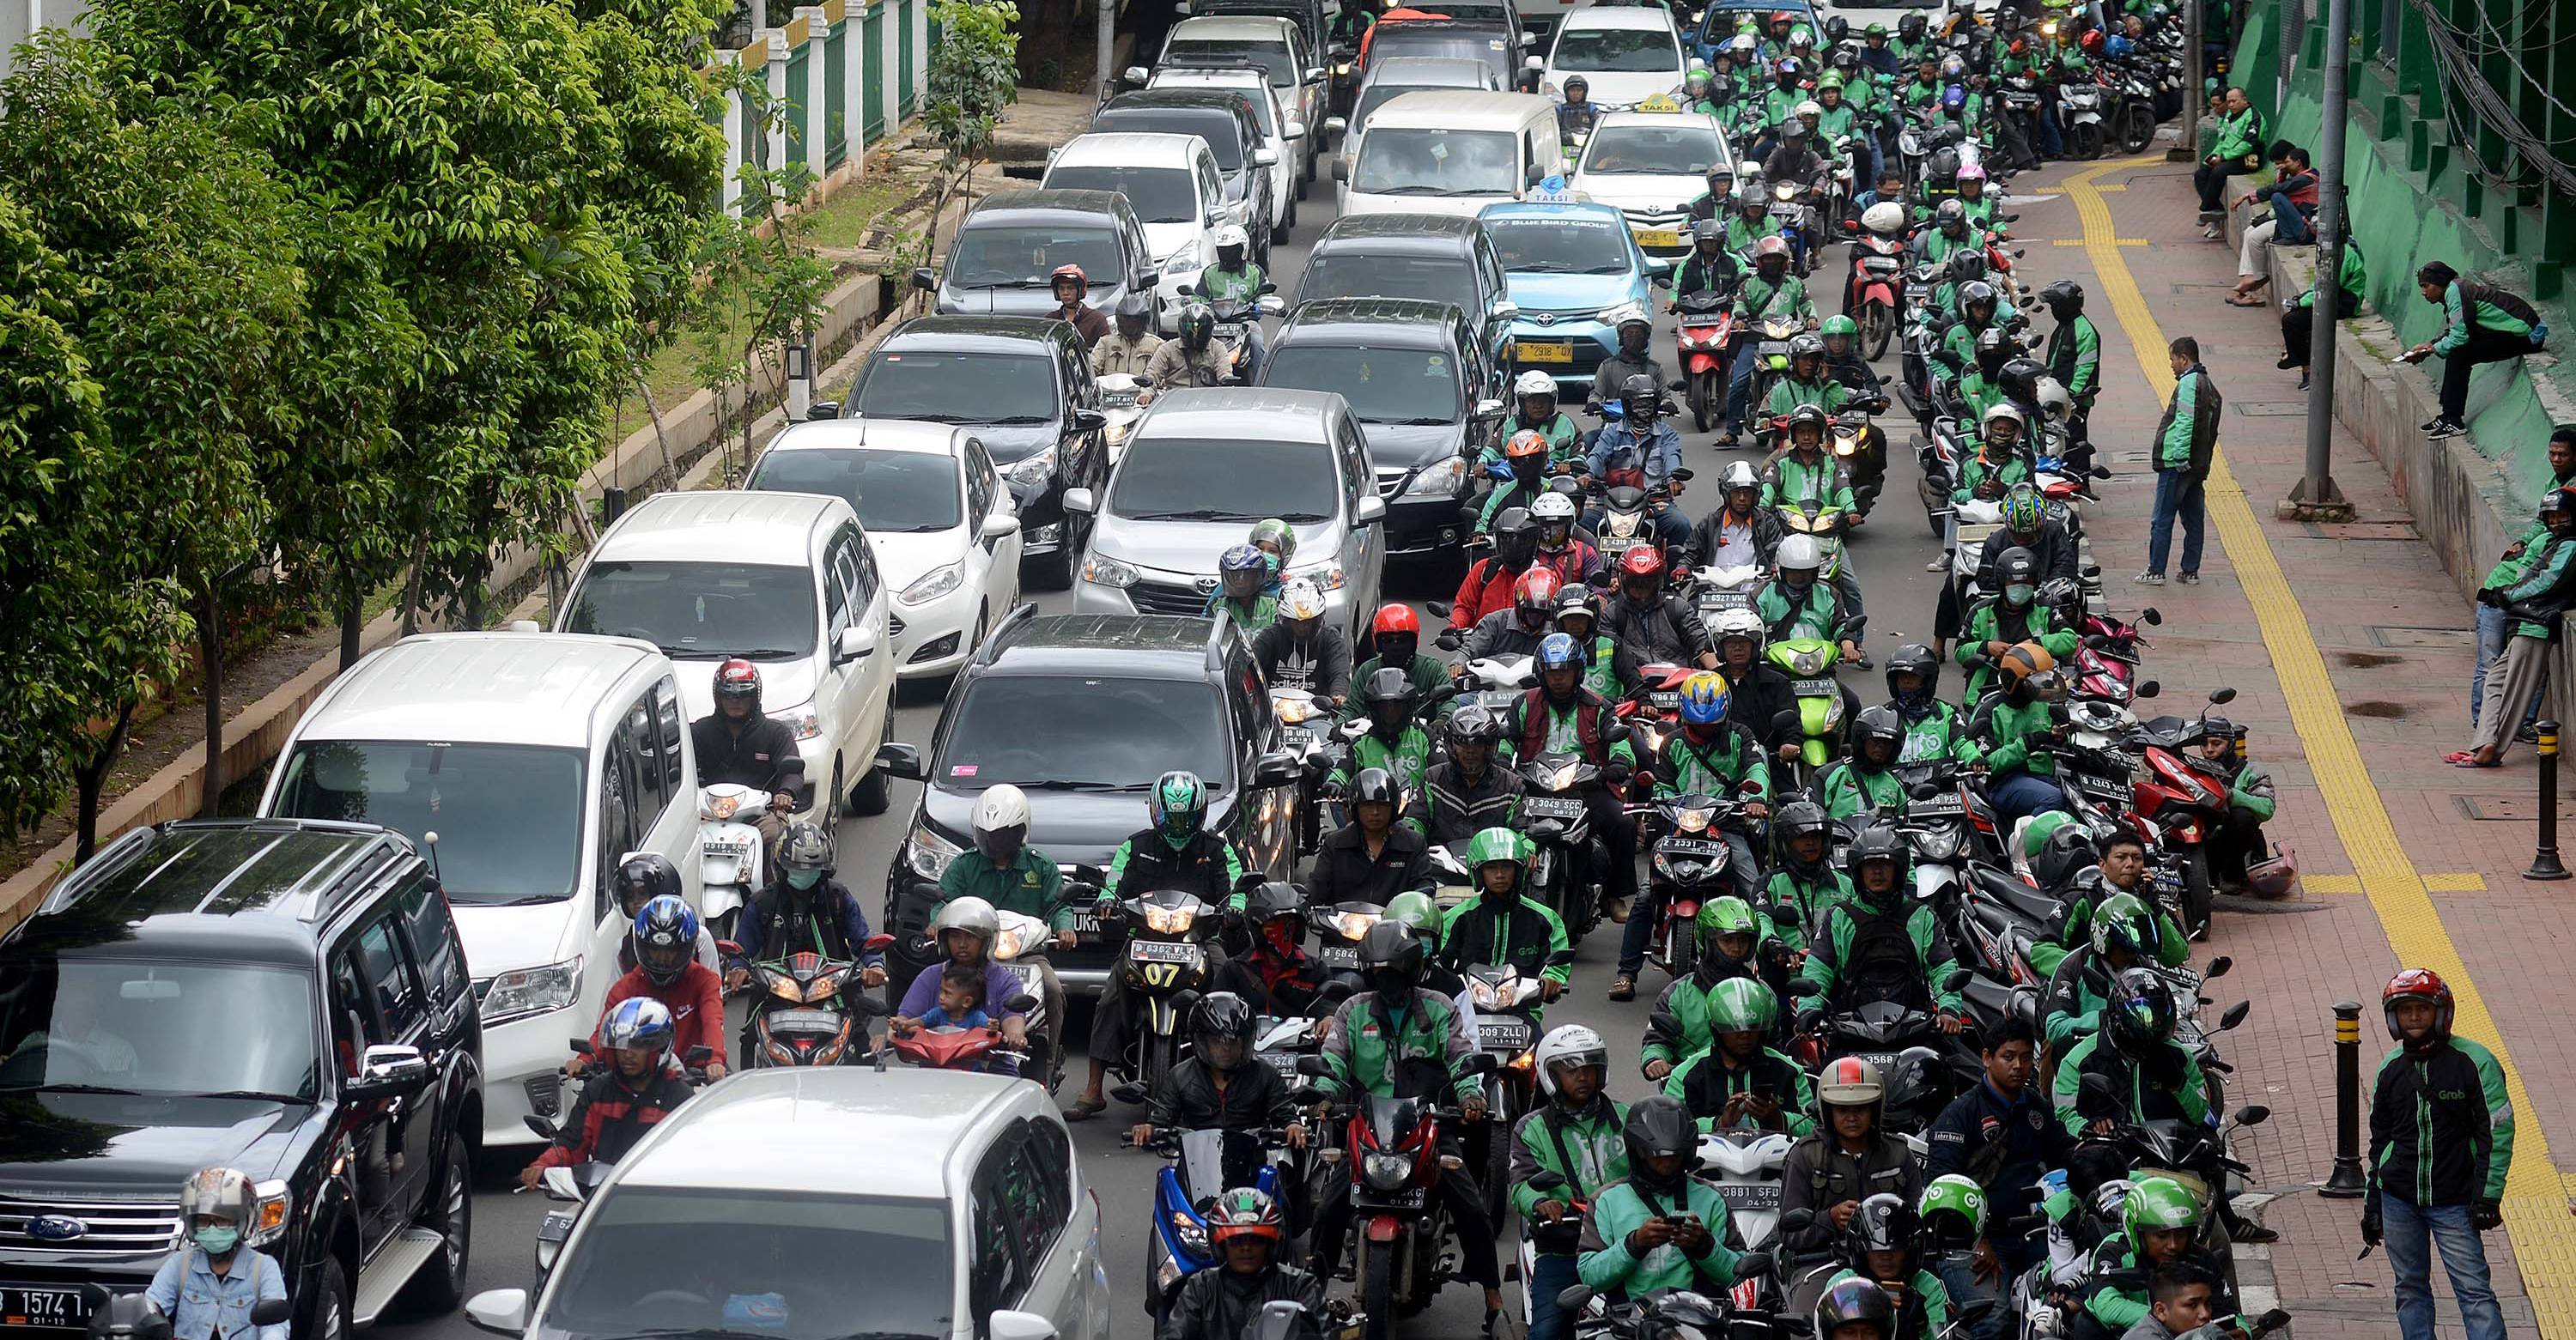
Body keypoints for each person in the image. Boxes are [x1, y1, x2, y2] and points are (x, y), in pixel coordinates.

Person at [1308, 924, 1504, 1323]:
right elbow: (1333, 1059)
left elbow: (1461, 1056)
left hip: (1428, 1124)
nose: (1388, 980)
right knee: (1328, 1208)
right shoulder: (1352, 1011)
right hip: (1368, 1128)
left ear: (1413, 969)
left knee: (1471, 1208)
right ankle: (1310, 1295)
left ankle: (1494, 1299)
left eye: (1395, 971)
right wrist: (1323, 1095)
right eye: (1380, 972)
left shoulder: (1439, 1007)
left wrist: (1470, 1096)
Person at [1068, 771, 1249, 1118]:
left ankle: (1236, 1081)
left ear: (1199, 816)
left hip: (1199, 938)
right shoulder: (1135, 847)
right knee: (1110, 995)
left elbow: (1236, 888)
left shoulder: (1217, 849)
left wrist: (1234, 910)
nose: (1177, 826)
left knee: (1230, 984)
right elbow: (1113, 883)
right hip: (1144, 938)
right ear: (1155, 813)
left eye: (1185, 819)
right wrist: (1106, 901)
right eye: (1170, 818)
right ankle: (1093, 1089)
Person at [2364, 967, 2512, 1340]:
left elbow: (2497, 1132)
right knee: (2409, 1288)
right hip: (2398, 1200)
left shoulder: (2476, 1062)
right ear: (2393, 1018)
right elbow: (2379, 1142)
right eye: (2405, 1010)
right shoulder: (2389, 1069)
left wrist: (2487, 1196)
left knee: (2474, 1292)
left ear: (2442, 1012)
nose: (2414, 1018)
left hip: (2455, 1202)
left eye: (2423, 1009)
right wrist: (2373, 1203)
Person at [1504, 634, 1643, 962]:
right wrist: (1501, 759)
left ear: (1578, 672)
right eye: (1553, 672)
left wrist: (1618, 764)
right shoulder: (1524, 703)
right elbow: (1507, 737)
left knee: (1621, 821)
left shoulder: (1599, 706)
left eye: (1565, 672)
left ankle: (1613, 895)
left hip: (1585, 787)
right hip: (1535, 786)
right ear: (1542, 673)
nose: (1559, 679)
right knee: (1500, 820)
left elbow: (1620, 743)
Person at [1925, 1018, 2070, 1287]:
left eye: (2025, 1058)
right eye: (2008, 1057)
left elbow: (2064, 1154)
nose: (2018, 1066)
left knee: (2068, 1295)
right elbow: (1940, 1186)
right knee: (1992, 1313)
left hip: (2035, 1233)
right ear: (1986, 1058)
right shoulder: (1960, 1115)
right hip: (1976, 1238)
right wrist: (1977, 1242)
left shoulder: (2037, 1108)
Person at [934, 783, 1070, 1062]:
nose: (994, 842)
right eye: (988, 835)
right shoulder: (965, 865)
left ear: (1019, 831)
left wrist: (1064, 927)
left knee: (1053, 990)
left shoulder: (1040, 866)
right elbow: (943, 900)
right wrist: (936, 922)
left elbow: (1058, 905)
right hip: (975, 951)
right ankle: (938, 1051)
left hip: (1027, 954)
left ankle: (1050, 1059)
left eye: (1001, 835)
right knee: (940, 986)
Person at [1780, 1058, 1922, 1318]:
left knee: (1929, 1316)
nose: (1852, 1117)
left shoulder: (1900, 1153)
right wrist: (1829, 1219)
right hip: (1824, 1263)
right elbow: (1789, 1234)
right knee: (1809, 1324)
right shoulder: (1805, 1155)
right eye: (1842, 1109)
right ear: (1828, 1110)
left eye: (1861, 1108)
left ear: (1875, 1108)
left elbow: (1918, 1220)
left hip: (1892, 1265)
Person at [1512, 1026, 1627, 1340]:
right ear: (1550, 1074)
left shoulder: (1627, 1117)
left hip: (1624, 1247)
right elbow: (1521, 1183)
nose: (1583, 1076)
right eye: (1571, 1069)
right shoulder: (1531, 1128)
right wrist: (1540, 1202)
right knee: (1546, 1334)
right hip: (1563, 1249)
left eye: (1589, 1067)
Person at [1574, 1096, 1749, 1301]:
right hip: (1628, 1317)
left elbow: (1738, 1273)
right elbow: (1589, 1276)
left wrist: (1704, 1245)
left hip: (1698, 1314)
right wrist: (1635, 1244)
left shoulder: (1711, 1198)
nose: (1667, 1164)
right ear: (1638, 1152)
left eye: (1675, 1155)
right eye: (1657, 1155)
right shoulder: (1606, 1201)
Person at [1794, 825, 1966, 1028]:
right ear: (1858, 871)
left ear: (1898, 869)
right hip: (1850, 1030)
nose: (1877, 872)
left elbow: (1943, 967)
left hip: (1913, 1030)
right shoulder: (1839, 916)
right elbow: (1818, 969)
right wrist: (1809, 1010)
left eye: (1885, 864)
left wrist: (1948, 1009)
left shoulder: (1922, 916)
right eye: (1870, 865)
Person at [2468, 427, 2576, 736]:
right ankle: (2485, 727)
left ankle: (2510, 728)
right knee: (2492, 667)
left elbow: (2543, 581)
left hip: (2521, 608)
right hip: (2503, 600)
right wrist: (2505, 593)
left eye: (2563, 454)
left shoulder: (2562, 544)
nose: (2556, 459)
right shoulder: (2548, 540)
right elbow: (2539, 580)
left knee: (2520, 671)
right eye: (2552, 453)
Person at [2458, 487, 2576, 767]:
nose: (2556, 522)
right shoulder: (2554, 542)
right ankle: (2485, 741)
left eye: (2561, 516)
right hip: (2525, 623)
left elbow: (2546, 581)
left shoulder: (2570, 546)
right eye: (2551, 517)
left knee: (2515, 692)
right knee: (2494, 680)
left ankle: (2493, 750)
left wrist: (2506, 595)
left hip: (2537, 626)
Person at [522, 997, 695, 1186]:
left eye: (638, 1045)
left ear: (660, 1048)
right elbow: (572, 1143)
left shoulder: (681, 1099)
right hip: (604, 1195)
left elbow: (693, 1160)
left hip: (659, 1195)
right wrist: (544, 1165)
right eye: (621, 1046)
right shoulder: (598, 1092)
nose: (628, 1054)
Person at [1639, 667, 1769, 910]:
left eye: (1711, 724)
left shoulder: (1740, 736)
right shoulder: (1672, 743)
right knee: (1646, 894)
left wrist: (1757, 799)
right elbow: (1663, 785)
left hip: (1726, 826)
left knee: (1754, 891)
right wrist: (1663, 804)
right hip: (1678, 831)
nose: (1704, 730)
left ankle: (1765, 933)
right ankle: (1635, 938)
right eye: (1698, 725)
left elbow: (1756, 768)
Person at [1643, 898, 1801, 1071]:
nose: (1736, 948)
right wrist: (1655, 1059)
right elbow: (1657, 1040)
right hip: (1691, 1082)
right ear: (1707, 941)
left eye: (1743, 941)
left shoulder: (1764, 994)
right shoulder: (1678, 994)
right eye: (1728, 940)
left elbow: (1773, 1047)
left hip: (1751, 1081)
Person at [726, 820, 888, 991]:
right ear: (781, 868)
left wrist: (875, 967)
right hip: (775, 992)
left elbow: (863, 941)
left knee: (869, 1007)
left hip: (835, 990)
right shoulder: (762, 903)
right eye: (798, 868)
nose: (806, 874)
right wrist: (738, 969)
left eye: (813, 869)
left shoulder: (838, 898)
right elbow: (742, 951)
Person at [2051, 967, 2212, 1138]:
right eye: (2143, 1014)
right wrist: (2088, 1128)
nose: (2152, 1026)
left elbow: (2201, 1115)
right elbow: (2063, 1117)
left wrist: (2179, 1084)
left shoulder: (2179, 1055)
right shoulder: (2078, 1060)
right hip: (2112, 1150)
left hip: (2170, 1148)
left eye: (2158, 1016)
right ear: (2117, 1017)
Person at [582, 895, 728, 1079]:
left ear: (687, 948)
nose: (662, 959)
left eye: (671, 951)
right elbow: (605, 1029)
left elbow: (712, 1021)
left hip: (691, 1079)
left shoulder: (705, 980)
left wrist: (715, 1060)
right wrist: (585, 1059)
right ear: (641, 946)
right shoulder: (627, 986)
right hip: (639, 1079)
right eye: (655, 950)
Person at [2399, 261, 2546, 439]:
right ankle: (2447, 416)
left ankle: (2453, 420)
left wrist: (2430, 350)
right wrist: (2430, 345)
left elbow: (2459, 337)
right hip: (2516, 333)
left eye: (2426, 286)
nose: (2423, 292)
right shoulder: (2455, 289)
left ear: (2439, 283)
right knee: (2458, 352)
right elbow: (2459, 328)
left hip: (2528, 336)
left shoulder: (2456, 292)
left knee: (2460, 355)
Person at [1132, 993, 1298, 1147]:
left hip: (1253, 1158)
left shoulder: (1266, 1074)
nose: (1226, 1048)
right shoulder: (1179, 1076)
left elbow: (1284, 1114)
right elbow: (1162, 1118)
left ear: (1245, 1042)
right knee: (1167, 1170)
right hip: (1195, 1158)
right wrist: (1148, 1128)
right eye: (1218, 1041)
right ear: (1201, 1041)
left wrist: (1293, 1126)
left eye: (1234, 1041)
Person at [1156, 1188, 1325, 1340]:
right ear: (1221, 1246)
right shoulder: (1201, 1288)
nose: (1246, 1248)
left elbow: (1323, 1333)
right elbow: (1174, 1333)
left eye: (1256, 1240)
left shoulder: (1299, 1286)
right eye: (1236, 1240)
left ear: (1271, 1245)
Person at [149, 1167, 289, 1340]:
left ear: (243, 1222)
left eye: (222, 1220)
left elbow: (275, 1328)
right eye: (203, 1220)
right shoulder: (180, 1265)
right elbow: (151, 1309)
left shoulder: (264, 1268)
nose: (212, 1228)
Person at [2073, 1179, 2221, 1340]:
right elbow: (2107, 1304)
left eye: (2180, 1235)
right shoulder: (2113, 1250)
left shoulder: (2201, 1257)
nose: (2172, 1245)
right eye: (2161, 1235)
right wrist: (2174, 1319)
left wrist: (2234, 1330)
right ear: (2138, 1233)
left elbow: (2228, 1310)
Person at [1664, 978, 1814, 1135]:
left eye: (1753, 1028)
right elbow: (1671, 1128)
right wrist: (1720, 1123)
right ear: (1715, 1030)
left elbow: (1812, 1127)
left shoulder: (1789, 1071)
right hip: (1708, 1151)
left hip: (1779, 1151)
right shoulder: (1684, 1075)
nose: (1745, 1036)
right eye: (1734, 1029)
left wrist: (1778, 1119)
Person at [1438, 827, 1572, 1000]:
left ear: (1519, 870)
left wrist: (1553, 977)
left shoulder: (1546, 918)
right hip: (1467, 1008)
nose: (1500, 874)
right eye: (1491, 867)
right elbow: (1439, 962)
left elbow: (1557, 961)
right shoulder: (1456, 918)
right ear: (1477, 872)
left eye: (1507, 867)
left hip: (1525, 1007)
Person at [890, 896, 1035, 1054]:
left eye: (971, 937)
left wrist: (1015, 1035)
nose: (962, 944)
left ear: (986, 940)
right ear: (944, 940)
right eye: (955, 936)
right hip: (934, 1065)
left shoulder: (1004, 980)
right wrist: (890, 1032)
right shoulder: (930, 976)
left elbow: (1013, 1019)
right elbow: (905, 1018)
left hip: (992, 1066)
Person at [690, 658, 805, 851]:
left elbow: (793, 772)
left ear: (754, 697)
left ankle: (769, 872)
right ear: (718, 698)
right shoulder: (700, 731)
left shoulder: (776, 733)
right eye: (728, 695)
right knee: (681, 839)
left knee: (774, 835)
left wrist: (785, 793)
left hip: (762, 814)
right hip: (708, 814)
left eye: (743, 696)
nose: (735, 701)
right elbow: (681, 771)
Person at [2136, 337, 2220, 585]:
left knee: (2162, 518)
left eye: (2172, 359)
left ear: (2184, 359)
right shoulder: (2207, 382)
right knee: (2194, 520)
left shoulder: (2189, 383)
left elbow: (2185, 421)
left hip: (2177, 464)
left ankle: (2156, 570)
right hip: (2197, 464)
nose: (2171, 365)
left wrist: (2180, 455)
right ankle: (2190, 570)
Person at [1824, 1194, 1957, 1340]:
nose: (1886, 1257)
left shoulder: (1928, 1286)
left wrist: (1921, 1324)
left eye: (1896, 1249)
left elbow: (1940, 1337)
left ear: (1910, 1249)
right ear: (1861, 1250)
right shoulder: (1841, 1285)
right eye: (1876, 1250)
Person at [1583, 377, 1692, 553]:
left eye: (1649, 403)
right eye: (1638, 403)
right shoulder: (1611, 433)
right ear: (1627, 405)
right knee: (1579, 522)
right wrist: (1586, 475)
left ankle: (1676, 569)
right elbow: (1597, 455)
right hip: (1610, 502)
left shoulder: (1667, 434)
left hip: (1653, 501)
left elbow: (1672, 457)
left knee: (1681, 525)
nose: (1644, 409)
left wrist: (1673, 479)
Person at [1728, 237, 1820, 442]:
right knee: (1739, 382)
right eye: (1768, 259)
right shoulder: (1749, 284)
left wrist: (1812, 317)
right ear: (1759, 261)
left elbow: (1806, 303)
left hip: (1789, 342)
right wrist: (1739, 319)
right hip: (1755, 340)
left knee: (1812, 376)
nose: (1772, 263)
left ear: (1785, 261)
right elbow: (1740, 304)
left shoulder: (1795, 283)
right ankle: (1731, 431)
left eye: (1776, 259)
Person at [1968, 641, 2070, 824]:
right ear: (2013, 680)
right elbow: (1988, 763)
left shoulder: (2043, 704)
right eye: (2035, 682)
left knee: (2078, 800)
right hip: (2005, 782)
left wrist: (2060, 737)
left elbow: (2060, 744)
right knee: (2052, 799)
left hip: (2046, 778)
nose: (2041, 687)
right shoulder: (1989, 712)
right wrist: (2027, 744)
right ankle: (2024, 840)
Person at [1957, 547, 2077, 700]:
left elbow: (2070, 640)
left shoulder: (2045, 608)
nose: (2020, 586)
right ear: (2002, 582)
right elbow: (1960, 651)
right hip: (1990, 688)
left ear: (2035, 582)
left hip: (2039, 688)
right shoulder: (1980, 611)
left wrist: (2036, 644)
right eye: (2014, 581)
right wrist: (1987, 647)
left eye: (2026, 582)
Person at [1309, 767, 1432, 905]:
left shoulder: (1413, 843)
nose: (1375, 812)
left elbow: (1424, 883)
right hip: (1343, 918)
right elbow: (1317, 885)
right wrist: (1300, 901)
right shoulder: (1335, 844)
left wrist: (1421, 898)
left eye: (1382, 805)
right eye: (1367, 805)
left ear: (1393, 807)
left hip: (1396, 917)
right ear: (1355, 808)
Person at [1213, 881, 1330, 1018]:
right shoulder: (1235, 970)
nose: (1284, 929)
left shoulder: (1316, 972)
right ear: (1257, 928)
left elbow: (1329, 1004)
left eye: (1289, 922)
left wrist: (1328, 1018)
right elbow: (1216, 1010)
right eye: (1275, 922)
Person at [1416, 704, 1523, 845]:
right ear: (1450, 745)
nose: (1470, 751)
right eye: (1462, 743)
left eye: (1478, 743)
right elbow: (1415, 822)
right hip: (1439, 858)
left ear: (1491, 746)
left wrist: (1527, 850)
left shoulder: (1512, 786)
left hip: (1494, 857)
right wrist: (1412, 842)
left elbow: (1523, 833)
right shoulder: (1432, 779)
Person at [2225, 142, 2318, 304]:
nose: (2283, 166)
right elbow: (2279, 187)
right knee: (2250, 232)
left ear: (2298, 163)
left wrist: (2246, 196)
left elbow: (2277, 190)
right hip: (2291, 221)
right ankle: (2249, 278)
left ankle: (2258, 279)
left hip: (2303, 226)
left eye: (2287, 162)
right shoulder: (2297, 177)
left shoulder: (2306, 179)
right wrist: (2283, 172)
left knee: (2255, 236)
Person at [1601, 547, 1717, 671]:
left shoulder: (1677, 607)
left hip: (1678, 678)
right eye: (1634, 582)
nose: (1640, 589)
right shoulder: (1613, 612)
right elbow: (1603, 655)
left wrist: (1717, 673)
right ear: (1623, 581)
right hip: (1630, 679)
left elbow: (1700, 643)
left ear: (1658, 581)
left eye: (1647, 582)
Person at [1764, 798, 1857, 952]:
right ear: (1785, 842)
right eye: (1802, 837)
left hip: (1834, 965)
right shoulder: (1770, 883)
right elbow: (1762, 919)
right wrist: (1773, 945)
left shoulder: (1846, 884)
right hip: (1785, 964)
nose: (1810, 843)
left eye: (1815, 836)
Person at [2279, 224, 2365, 390]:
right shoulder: (2337, 248)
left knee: (2292, 321)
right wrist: (2302, 298)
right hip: (2335, 297)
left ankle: (2306, 368)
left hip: (2345, 302)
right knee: (2294, 315)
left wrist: (2302, 302)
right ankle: (2295, 356)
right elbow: (2319, 282)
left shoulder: (2342, 254)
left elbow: (2327, 287)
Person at [1754, 534, 1863, 664]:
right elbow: (1753, 626)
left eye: (1806, 572)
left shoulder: (1828, 594)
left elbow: (1840, 624)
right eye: (1793, 572)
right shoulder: (1763, 594)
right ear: (1781, 570)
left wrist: (1848, 647)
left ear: (1815, 572)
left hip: (1818, 664)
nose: (1800, 577)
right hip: (1775, 665)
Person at [611, 852, 718, 976]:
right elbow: (618, 987)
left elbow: (713, 984)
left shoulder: (700, 938)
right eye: (630, 896)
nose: (636, 901)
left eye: (642, 894)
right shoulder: (623, 948)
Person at [1253, 579, 1354, 709]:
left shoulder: (1330, 638)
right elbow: (1252, 663)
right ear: (1286, 620)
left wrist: (1338, 693)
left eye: (1308, 622)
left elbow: (1340, 672)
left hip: (1318, 712)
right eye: (1297, 622)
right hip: (1273, 710)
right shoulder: (1271, 636)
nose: (1303, 627)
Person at [1882, 644, 1981, 770]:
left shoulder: (1946, 713)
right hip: (1893, 780)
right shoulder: (1885, 714)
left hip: (1937, 780)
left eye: (1912, 676)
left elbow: (1962, 741)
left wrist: (1974, 758)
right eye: (1902, 676)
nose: (1906, 681)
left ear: (1927, 680)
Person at [2042, 282, 2104, 462]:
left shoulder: (2084, 331)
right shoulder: (2064, 326)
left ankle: (2080, 476)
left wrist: (2071, 395)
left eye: (2054, 305)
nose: (2052, 310)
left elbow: (2086, 367)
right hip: (2057, 395)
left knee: (2074, 443)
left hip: (2073, 401)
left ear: (2064, 306)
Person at [1198, 222, 1268, 377]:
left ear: (1243, 249)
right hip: (1214, 323)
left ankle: (1260, 383)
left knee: (1257, 343)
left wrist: (1261, 306)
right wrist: (1197, 306)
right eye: (1224, 250)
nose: (1227, 254)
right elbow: (1198, 297)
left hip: (1246, 322)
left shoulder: (1255, 272)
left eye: (1232, 250)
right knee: (1193, 343)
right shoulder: (1209, 273)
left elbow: (1265, 296)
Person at [1453, 507, 1540, 630]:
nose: (1510, 547)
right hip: (1482, 639)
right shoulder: (1484, 569)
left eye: (1517, 541)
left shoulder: (1542, 577)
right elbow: (1464, 606)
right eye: (1504, 540)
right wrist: (1455, 627)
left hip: (1524, 639)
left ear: (1532, 541)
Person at [2193, 88, 2264, 236]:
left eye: (2234, 101)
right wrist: (2214, 155)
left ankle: (2206, 209)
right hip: (2228, 156)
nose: (2231, 105)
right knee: (2201, 174)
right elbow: (2223, 141)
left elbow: (2247, 145)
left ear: (2244, 100)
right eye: (2229, 102)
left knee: (2218, 172)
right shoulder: (2228, 117)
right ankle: (2216, 209)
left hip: (2248, 159)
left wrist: (2224, 158)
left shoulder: (2254, 117)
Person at [1689, 460, 1784, 572]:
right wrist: (1683, 567)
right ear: (1726, 494)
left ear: (1756, 495)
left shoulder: (1767, 523)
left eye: (1747, 492)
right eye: (1736, 492)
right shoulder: (1710, 523)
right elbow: (1691, 553)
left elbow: (1778, 553)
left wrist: (1774, 567)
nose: (1742, 498)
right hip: (1712, 583)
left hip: (1755, 583)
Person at [1815, 704, 1905, 818]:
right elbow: (1812, 817)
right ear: (1862, 741)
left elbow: (1904, 822)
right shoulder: (1830, 775)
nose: (1881, 747)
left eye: (1887, 743)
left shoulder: (1895, 785)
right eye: (1875, 741)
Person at [1467, 564, 1565, 661]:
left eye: (1540, 612)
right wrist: (1460, 663)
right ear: (1519, 605)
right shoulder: (1494, 623)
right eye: (1530, 610)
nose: (1534, 616)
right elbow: (1472, 648)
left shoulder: (1556, 634)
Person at [1479, 429, 1558, 534]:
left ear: (1544, 459)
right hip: (1512, 543)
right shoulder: (1502, 494)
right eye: (1518, 461)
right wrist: (1480, 534)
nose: (1525, 466)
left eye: (1532, 459)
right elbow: (1484, 522)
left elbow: (1568, 520)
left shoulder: (1551, 489)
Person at [1590, 305, 1667, 409]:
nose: (1634, 338)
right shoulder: (1607, 366)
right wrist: (1593, 403)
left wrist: (1668, 404)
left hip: (1648, 416)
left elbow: (1665, 396)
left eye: (1638, 334)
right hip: (1616, 417)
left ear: (1646, 337)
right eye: (1629, 334)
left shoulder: (1656, 369)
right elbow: (1596, 394)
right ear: (1621, 337)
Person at [1504, 369, 1584, 465]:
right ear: (1522, 402)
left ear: (1551, 402)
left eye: (1543, 400)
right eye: (1533, 401)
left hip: (1553, 474)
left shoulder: (1565, 424)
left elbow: (1580, 456)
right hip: (1514, 473)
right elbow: (1492, 451)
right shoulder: (1511, 425)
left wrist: (1568, 464)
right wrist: (1486, 461)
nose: (1538, 406)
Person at [1147, 300, 1232, 391]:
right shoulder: (1167, 349)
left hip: (1207, 397)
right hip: (1175, 397)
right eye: (1190, 329)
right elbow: (1152, 376)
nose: (1195, 335)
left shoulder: (1217, 348)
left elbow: (1224, 372)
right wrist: (1146, 394)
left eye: (1201, 330)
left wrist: (1226, 380)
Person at [1530, 489, 1607, 590]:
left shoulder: (1585, 552)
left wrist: (1598, 595)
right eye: (1547, 526)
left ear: (1570, 525)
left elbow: (1597, 588)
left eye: (1559, 526)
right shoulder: (1526, 554)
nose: (1553, 531)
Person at [1206, 543, 1279, 629]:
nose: (1238, 581)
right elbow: (1206, 632)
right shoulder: (1218, 604)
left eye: (1245, 576)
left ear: (1258, 576)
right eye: (1232, 576)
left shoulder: (1272, 605)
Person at [1094, 290, 1164, 375]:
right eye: (1126, 320)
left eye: (1135, 320)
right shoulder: (1106, 343)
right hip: (1111, 384)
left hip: (1142, 384)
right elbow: (1093, 368)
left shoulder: (1157, 345)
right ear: (1119, 320)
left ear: (1145, 321)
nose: (1130, 325)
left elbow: (1163, 373)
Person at [1673, 218, 1739, 303]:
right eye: (1704, 241)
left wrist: (1737, 298)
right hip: (1693, 309)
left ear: (1720, 242)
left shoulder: (1735, 261)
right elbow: (1676, 289)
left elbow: (1744, 286)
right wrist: (1673, 299)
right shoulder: (1686, 264)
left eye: (1712, 242)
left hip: (1724, 308)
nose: (1708, 245)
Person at [1046, 263, 1109, 346]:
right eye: (1061, 289)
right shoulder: (1050, 320)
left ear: (1080, 290)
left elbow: (1107, 348)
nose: (1065, 293)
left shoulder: (1096, 319)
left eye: (1070, 288)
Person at [914, 962, 990, 1032]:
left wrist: (992, 1027)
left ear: (966, 1002)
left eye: (947, 993)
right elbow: (920, 1022)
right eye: (941, 990)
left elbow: (989, 1030)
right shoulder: (937, 1014)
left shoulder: (978, 1018)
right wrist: (908, 1024)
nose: (941, 997)